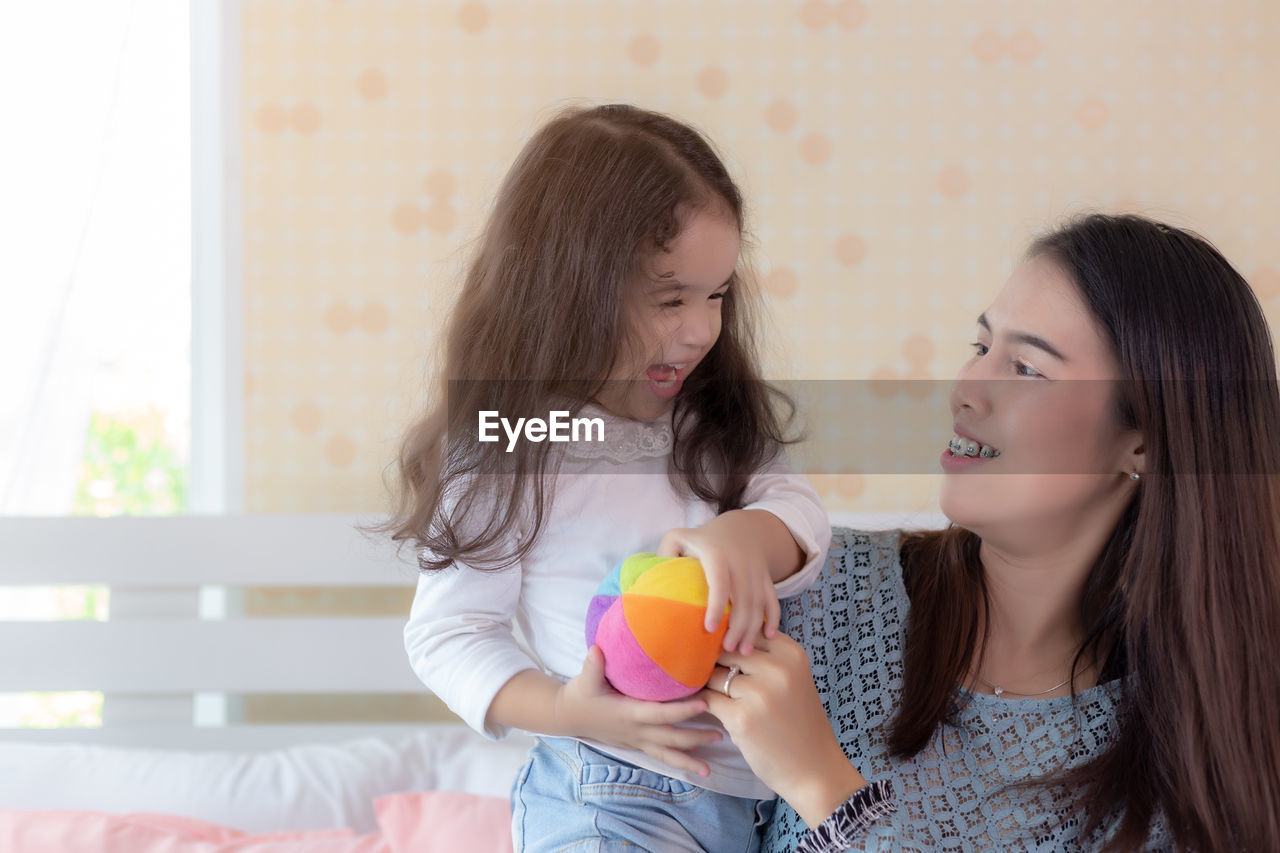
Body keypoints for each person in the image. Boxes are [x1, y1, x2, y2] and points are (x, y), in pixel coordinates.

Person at [702, 213, 1280, 851]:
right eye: (981, 348)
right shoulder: (819, 586)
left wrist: (827, 791)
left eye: (1027, 368)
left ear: (1142, 441)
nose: (967, 388)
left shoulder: (1187, 776)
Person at [386, 103, 832, 851]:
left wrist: (741, 537)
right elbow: (449, 633)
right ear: (567, 288)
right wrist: (570, 711)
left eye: (717, 294)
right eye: (670, 299)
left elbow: (800, 511)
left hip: (754, 798)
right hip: (606, 790)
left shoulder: (710, 423)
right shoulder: (518, 445)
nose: (701, 328)